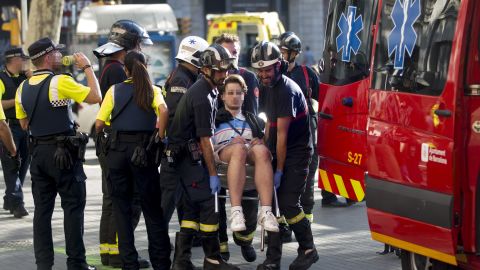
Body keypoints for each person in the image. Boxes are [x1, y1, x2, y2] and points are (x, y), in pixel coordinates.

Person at [15, 37, 101, 270]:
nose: (59, 56)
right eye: (56, 53)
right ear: (48, 56)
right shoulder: (60, 81)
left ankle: (44, 264)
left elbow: (23, 124)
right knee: (73, 207)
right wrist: (86, 68)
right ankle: (77, 264)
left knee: (42, 212)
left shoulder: (23, 86)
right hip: (64, 154)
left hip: (39, 155)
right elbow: (95, 97)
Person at [95, 50, 171, 270]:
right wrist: (161, 136)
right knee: (152, 210)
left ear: (125, 69)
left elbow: (99, 123)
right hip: (143, 152)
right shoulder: (152, 90)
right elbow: (164, 112)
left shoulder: (114, 91)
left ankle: (129, 263)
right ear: (145, 66)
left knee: (121, 208)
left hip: (117, 153)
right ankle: (160, 262)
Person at [167, 44, 238, 270]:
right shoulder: (202, 96)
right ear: (205, 69)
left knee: (190, 210)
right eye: (219, 71)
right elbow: (204, 140)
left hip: (185, 159)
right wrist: (212, 173)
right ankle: (212, 260)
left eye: (226, 70)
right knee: (209, 203)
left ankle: (181, 261)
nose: (224, 74)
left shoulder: (207, 89)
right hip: (189, 158)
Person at [252, 41, 318, 270]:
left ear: (278, 66)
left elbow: (282, 136)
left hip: (296, 153)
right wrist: (262, 141)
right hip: (279, 151)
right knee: (272, 207)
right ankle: (272, 260)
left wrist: (279, 170)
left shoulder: (286, 90)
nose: (263, 74)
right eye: (259, 70)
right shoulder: (268, 87)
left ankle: (308, 249)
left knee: (289, 204)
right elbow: (270, 124)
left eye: (267, 69)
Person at [93, 19, 153, 268]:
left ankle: (110, 251)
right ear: (129, 44)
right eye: (138, 43)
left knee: (112, 200)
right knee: (127, 201)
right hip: (121, 144)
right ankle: (119, 251)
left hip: (110, 144)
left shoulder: (109, 66)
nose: (140, 48)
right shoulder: (118, 69)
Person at [212, 74, 278, 261]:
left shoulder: (253, 120)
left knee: (262, 152)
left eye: (238, 93)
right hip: (223, 161)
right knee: (239, 148)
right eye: (230, 93)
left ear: (244, 95)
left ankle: (265, 212)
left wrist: (260, 141)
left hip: (248, 170)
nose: (234, 96)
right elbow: (206, 144)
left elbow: (266, 144)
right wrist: (232, 142)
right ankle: (236, 211)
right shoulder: (214, 118)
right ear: (222, 96)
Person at [214, 33, 261, 262]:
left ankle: (245, 238)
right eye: (226, 52)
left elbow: (254, 109)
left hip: (245, 137)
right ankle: (221, 246)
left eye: (234, 51)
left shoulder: (249, 77)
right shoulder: (213, 78)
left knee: (249, 195)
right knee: (218, 202)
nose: (231, 56)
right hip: (221, 144)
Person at [160, 35, 208, 243]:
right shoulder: (181, 78)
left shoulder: (185, 75)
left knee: (183, 196)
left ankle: (189, 236)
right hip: (177, 148)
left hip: (182, 148)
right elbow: (177, 114)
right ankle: (159, 238)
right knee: (169, 197)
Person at [0, 47, 30, 218]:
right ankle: (18, 204)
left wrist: (32, 79)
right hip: (8, 127)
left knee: (23, 165)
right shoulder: (1, 78)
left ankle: (8, 199)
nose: (25, 62)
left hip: (25, 127)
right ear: (15, 60)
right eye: (23, 59)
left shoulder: (25, 78)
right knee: (12, 165)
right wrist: (17, 100)